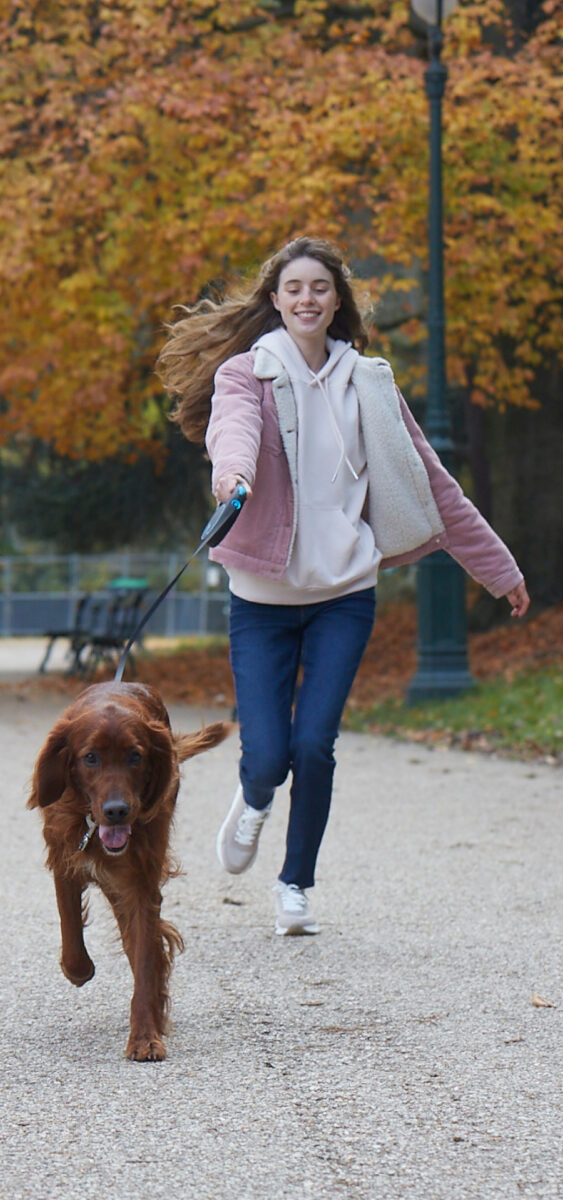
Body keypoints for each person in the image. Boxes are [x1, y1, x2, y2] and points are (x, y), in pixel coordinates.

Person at [157, 236, 530, 937]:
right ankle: (254, 796)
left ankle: (294, 886)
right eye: (293, 288)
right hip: (262, 600)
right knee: (267, 756)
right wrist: (229, 479)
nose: (306, 299)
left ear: (336, 301)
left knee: (315, 746)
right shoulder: (247, 374)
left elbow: (433, 486)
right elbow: (231, 436)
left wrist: (497, 568)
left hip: (343, 594)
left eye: (319, 289)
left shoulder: (371, 383)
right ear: (275, 299)